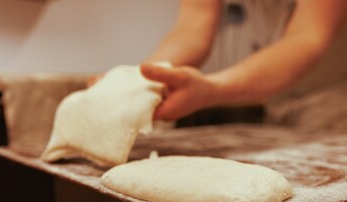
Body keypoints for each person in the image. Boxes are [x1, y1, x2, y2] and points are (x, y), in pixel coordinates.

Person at [140, 0, 347, 131]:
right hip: (276, 97)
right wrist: (137, 81)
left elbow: (307, 36)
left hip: (331, 98)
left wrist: (212, 89)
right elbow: (192, 29)